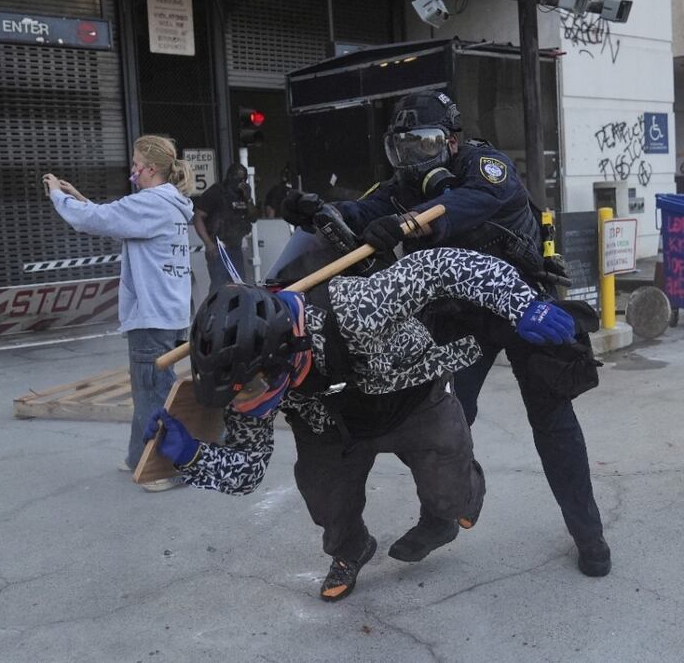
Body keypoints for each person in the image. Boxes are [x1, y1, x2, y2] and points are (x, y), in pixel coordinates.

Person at [283, 90, 612, 577]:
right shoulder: (401, 188)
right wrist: (316, 211)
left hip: (522, 305)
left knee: (553, 421)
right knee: (443, 418)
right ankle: (442, 516)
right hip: (461, 317)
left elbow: (474, 201)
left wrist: (408, 224)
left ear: (453, 142)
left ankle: (590, 538)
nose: (414, 161)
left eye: (425, 146)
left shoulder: (486, 166)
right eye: (404, 149)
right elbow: (360, 213)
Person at [143, 246, 580, 601]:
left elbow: (442, 267)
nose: (245, 403)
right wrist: (190, 456)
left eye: (249, 390)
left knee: (450, 491)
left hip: (412, 398)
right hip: (332, 426)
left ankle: (449, 513)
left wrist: (520, 303)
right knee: (324, 498)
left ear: (280, 356)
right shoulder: (248, 381)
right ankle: (352, 552)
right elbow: (247, 470)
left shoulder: (353, 308)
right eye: (234, 395)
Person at [43, 135, 194, 492]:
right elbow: (114, 219)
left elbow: (95, 221)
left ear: (151, 169)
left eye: (135, 166)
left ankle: (164, 468)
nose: (133, 172)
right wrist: (81, 199)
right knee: (150, 388)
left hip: (151, 314)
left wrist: (57, 195)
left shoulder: (150, 203)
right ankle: (136, 457)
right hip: (169, 312)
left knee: (151, 392)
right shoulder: (170, 204)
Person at [193, 163, 258, 290]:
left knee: (239, 287)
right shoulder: (216, 192)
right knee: (219, 287)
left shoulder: (243, 194)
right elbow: (198, 217)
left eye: (243, 179)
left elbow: (254, 218)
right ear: (229, 177)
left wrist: (248, 198)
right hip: (218, 247)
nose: (240, 182)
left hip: (236, 247)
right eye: (237, 179)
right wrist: (208, 243)